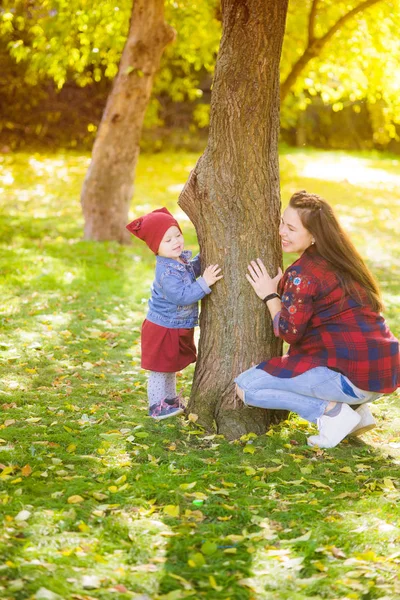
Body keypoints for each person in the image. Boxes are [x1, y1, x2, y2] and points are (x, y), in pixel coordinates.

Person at [235, 191, 399, 448]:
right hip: (384, 373)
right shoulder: (344, 260)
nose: (281, 232)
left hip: (352, 378)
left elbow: (289, 332)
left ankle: (332, 412)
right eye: (281, 222)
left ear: (314, 235)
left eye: (290, 228)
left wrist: (269, 294)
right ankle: (356, 412)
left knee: (247, 388)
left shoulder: (303, 274)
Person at [126, 207, 222, 420]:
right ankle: (157, 406)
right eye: (168, 240)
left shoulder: (178, 260)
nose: (176, 241)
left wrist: (205, 256)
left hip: (174, 324)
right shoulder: (166, 272)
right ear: (156, 247)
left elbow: (191, 269)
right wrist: (205, 282)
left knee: (169, 367)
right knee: (160, 370)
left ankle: (169, 400)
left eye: (177, 235)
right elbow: (182, 295)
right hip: (162, 327)